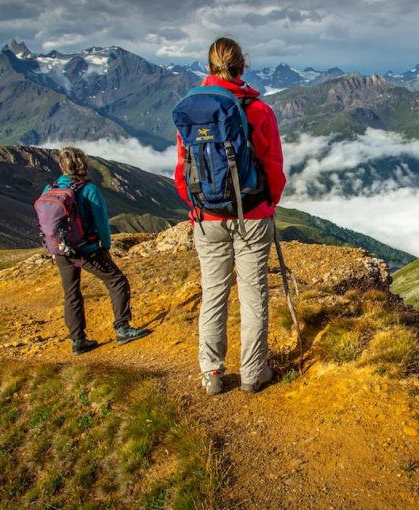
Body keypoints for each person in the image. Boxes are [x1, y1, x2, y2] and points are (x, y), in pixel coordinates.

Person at [174, 37, 286, 395]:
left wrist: (198, 207)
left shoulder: (192, 110)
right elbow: (273, 168)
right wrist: (268, 204)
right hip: (252, 216)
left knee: (213, 293)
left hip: (206, 218)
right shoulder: (258, 110)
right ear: (242, 67)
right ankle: (254, 373)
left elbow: (182, 171)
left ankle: (211, 373)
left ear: (209, 67)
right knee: (253, 296)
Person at [50, 147, 151, 354]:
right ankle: (122, 327)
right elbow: (102, 224)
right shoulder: (89, 190)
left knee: (71, 293)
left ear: (61, 166)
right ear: (84, 166)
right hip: (87, 249)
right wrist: (105, 247)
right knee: (117, 281)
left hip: (61, 251)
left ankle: (78, 340)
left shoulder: (49, 190)